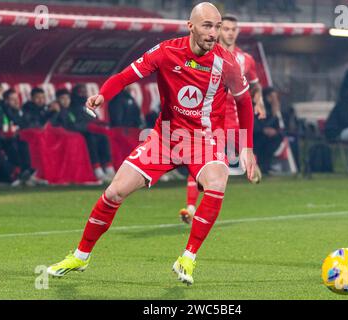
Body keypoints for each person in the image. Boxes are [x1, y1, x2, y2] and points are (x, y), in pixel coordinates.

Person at [47, 2, 256, 285]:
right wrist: (103, 96)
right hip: (166, 137)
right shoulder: (166, 52)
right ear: (190, 26)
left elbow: (244, 102)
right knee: (114, 192)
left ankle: (188, 258)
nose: (214, 33)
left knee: (217, 181)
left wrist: (246, 148)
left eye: (217, 27)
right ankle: (80, 257)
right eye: (208, 26)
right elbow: (125, 76)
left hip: (205, 141)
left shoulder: (227, 63)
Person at [178, 14, 265, 224]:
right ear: (218, 30)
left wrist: (259, 101)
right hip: (210, 121)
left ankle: (250, 165)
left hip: (235, 123)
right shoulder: (204, 54)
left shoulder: (246, 59)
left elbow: (255, 85)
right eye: (225, 28)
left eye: (233, 29)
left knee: (251, 168)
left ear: (237, 31)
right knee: (199, 161)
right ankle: (190, 208)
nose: (229, 32)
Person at [51, 88, 116, 183]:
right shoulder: (58, 111)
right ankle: (97, 169)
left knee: (103, 137)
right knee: (91, 138)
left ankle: (108, 167)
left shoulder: (76, 108)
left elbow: (87, 120)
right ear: (57, 100)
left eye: (67, 98)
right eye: (62, 98)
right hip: (71, 137)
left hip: (81, 133)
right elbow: (67, 125)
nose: (65, 101)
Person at [253, 87, 284, 174]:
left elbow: (276, 126)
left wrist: (274, 130)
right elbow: (252, 123)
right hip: (255, 136)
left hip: (267, 137)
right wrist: (263, 129)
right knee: (262, 141)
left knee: (278, 137)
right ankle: (261, 165)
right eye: (271, 97)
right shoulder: (257, 107)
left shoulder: (272, 109)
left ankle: (265, 165)